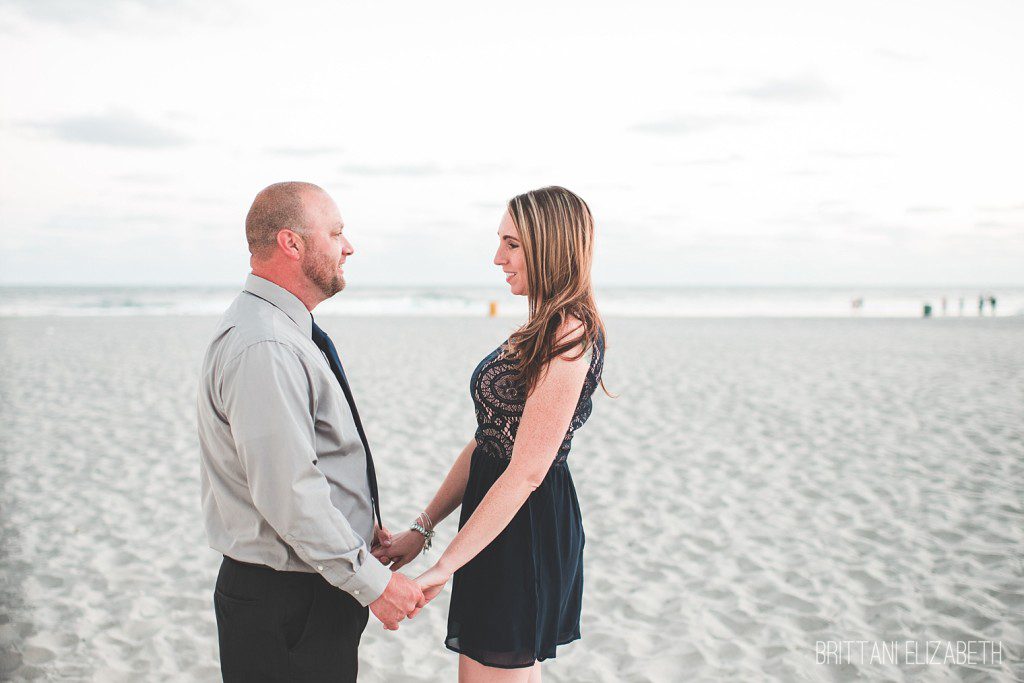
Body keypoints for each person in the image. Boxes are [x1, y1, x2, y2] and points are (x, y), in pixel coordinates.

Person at [375, 186, 607, 682]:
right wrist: (423, 528)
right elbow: (489, 441)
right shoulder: (538, 327)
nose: (497, 257)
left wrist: (445, 567)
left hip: (522, 526)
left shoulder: (568, 334)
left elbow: (525, 472)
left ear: (550, 246)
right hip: (492, 517)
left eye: (512, 244)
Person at [197, 182, 425, 682]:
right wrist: (374, 584)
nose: (349, 247)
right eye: (337, 232)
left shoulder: (282, 330)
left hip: (307, 587)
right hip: (287, 601)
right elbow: (288, 492)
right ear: (291, 243)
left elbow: (310, 462)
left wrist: (358, 527)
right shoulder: (266, 344)